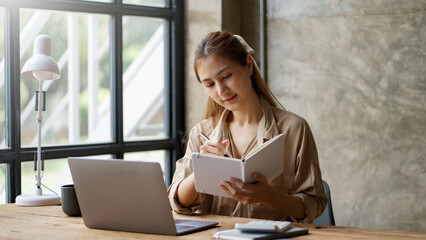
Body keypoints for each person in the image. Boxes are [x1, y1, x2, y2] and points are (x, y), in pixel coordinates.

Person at [167, 31, 327, 223]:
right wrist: (202, 170)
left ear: (249, 66)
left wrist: (268, 196)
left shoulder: (293, 129)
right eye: (209, 84)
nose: (221, 91)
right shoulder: (202, 134)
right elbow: (177, 203)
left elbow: (313, 204)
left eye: (226, 76)